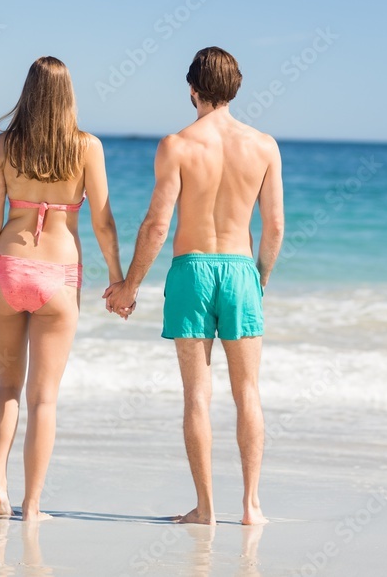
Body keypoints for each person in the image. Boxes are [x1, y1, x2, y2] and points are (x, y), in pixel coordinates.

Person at [104, 47, 284, 526]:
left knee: (197, 395)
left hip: (191, 270)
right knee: (248, 391)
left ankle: (205, 508)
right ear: (236, 87)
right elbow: (276, 227)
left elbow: (156, 226)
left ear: (192, 89)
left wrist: (129, 286)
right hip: (241, 270)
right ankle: (250, 507)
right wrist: (257, 279)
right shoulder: (264, 145)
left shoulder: (177, 144)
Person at [0, 56, 123, 520]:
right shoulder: (87, 147)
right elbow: (102, 220)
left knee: (5, 384)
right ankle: (32, 505)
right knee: (44, 398)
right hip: (58, 275)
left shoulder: (5, 145)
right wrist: (118, 276)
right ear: (68, 95)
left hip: (8, 267)